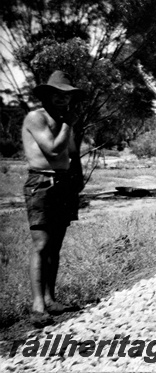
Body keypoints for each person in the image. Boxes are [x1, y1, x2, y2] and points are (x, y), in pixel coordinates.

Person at [21, 71, 86, 327]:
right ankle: (37, 305)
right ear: (47, 95)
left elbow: (72, 153)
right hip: (41, 183)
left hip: (63, 183)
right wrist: (69, 123)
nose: (62, 99)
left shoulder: (63, 120)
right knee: (41, 244)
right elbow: (53, 148)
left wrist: (77, 178)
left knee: (56, 244)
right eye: (56, 95)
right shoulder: (36, 118)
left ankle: (50, 298)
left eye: (66, 96)